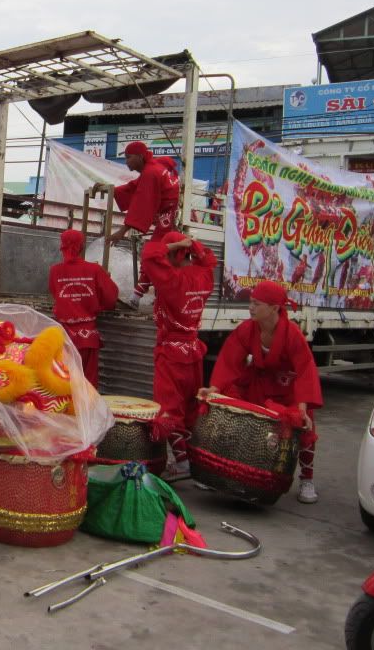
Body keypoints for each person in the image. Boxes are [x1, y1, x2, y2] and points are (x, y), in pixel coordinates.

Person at [199, 280, 322, 504]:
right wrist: (214, 388)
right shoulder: (248, 329)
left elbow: (305, 370)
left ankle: (307, 478)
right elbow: (230, 358)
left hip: (288, 388)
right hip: (260, 383)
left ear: (275, 308)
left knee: (303, 427)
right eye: (251, 302)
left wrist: (302, 407)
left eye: (257, 303)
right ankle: (234, 473)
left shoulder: (292, 334)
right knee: (240, 417)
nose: (251, 307)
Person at [140, 232, 217, 480]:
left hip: (172, 353)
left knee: (169, 408)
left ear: (176, 253)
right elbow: (208, 260)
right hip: (193, 351)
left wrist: (177, 245)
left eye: (169, 251)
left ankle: (182, 461)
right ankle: (195, 460)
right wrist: (192, 245)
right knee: (191, 406)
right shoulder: (204, 276)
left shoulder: (172, 280)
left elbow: (149, 254)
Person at [108, 141, 180, 307]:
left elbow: (142, 203)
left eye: (128, 157)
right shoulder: (152, 168)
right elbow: (136, 187)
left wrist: (122, 231)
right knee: (155, 255)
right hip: (166, 213)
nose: (126, 161)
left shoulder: (151, 173)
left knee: (151, 255)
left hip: (166, 215)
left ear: (140, 156)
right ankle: (150, 296)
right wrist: (110, 190)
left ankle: (136, 297)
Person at [47, 229, 118, 387]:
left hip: (63, 338)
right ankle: (87, 412)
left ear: (62, 246)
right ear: (82, 246)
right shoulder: (95, 270)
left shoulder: (54, 271)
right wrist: (99, 303)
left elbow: (55, 294)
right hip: (87, 339)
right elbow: (111, 298)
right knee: (88, 387)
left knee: (62, 385)